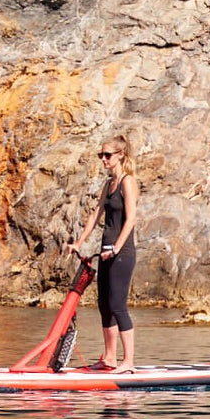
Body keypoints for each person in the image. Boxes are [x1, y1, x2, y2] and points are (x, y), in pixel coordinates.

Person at [67, 135, 139, 373]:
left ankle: (128, 362)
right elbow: (95, 215)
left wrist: (116, 247)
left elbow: (131, 220)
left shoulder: (128, 182)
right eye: (101, 155)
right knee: (104, 304)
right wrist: (79, 242)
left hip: (122, 252)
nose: (103, 159)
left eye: (107, 155)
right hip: (105, 251)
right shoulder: (108, 185)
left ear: (120, 155)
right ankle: (109, 358)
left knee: (118, 305)